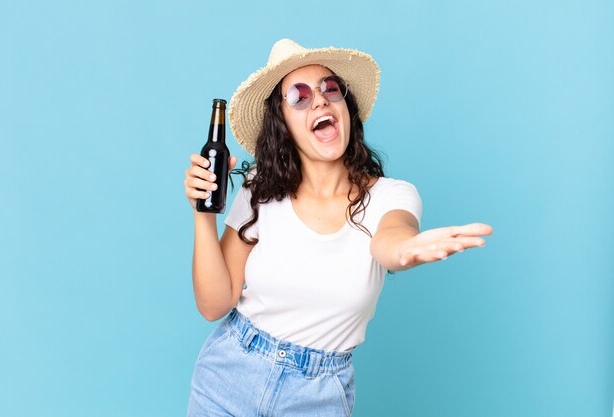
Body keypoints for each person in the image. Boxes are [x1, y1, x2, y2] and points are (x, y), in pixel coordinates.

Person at [183, 38, 493, 416]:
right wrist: (203, 212)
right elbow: (214, 304)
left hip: (316, 395)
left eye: (330, 89)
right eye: (298, 95)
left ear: (346, 108)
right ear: (283, 125)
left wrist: (407, 250)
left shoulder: (390, 197)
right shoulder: (261, 189)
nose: (319, 100)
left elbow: (390, 242)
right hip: (229, 374)